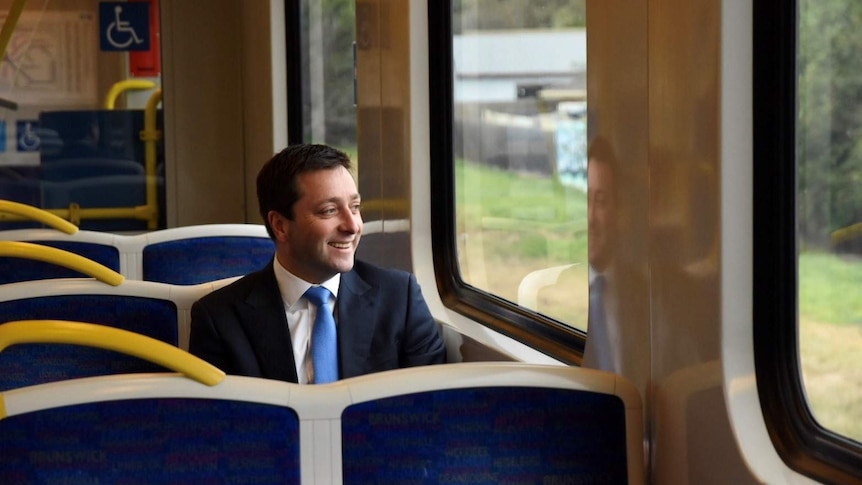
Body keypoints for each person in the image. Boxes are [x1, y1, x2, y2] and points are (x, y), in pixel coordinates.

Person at [188, 143, 446, 383]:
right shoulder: (219, 317)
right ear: (280, 226)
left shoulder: (400, 298)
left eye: (354, 207)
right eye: (329, 211)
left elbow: (428, 412)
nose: (352, 226)